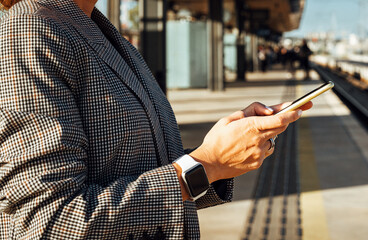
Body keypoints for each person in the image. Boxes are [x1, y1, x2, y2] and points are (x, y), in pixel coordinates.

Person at [0, 0, 312, 239]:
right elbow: (49, 223)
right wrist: (207, 164)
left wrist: (221, 153)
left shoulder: (103, 33)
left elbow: (136, 168)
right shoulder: (29, 30)